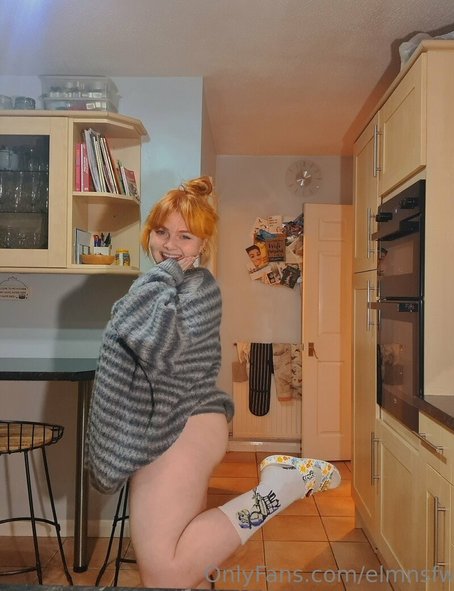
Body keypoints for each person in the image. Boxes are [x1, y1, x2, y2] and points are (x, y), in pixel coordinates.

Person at [86, 176, 341, 589]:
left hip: (180, 425)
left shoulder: (197, 288)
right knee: (189, 570)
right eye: (162, 232)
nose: (170, 246)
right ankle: (281, 486)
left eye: (185, 236)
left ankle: (280, 488)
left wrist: (160, 276)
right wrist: (160, 279)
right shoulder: (169, 284)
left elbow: (160, 348)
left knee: (164, 573)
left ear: (203, 244)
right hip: (172, 424)